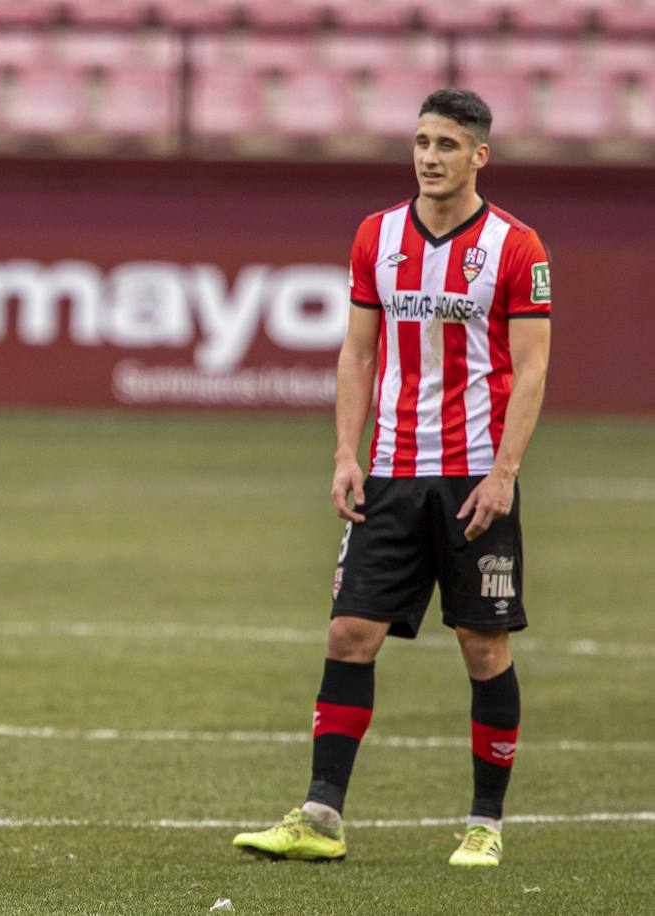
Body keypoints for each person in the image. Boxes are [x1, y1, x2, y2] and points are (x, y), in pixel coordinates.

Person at [232, 88, 551, 868]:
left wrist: (506, 472)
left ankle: (485, 824)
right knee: (349, 633)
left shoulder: (518, 246)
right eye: (420, 142)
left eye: (446, 144)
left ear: (479, 155)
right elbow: (357, 354)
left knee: (483, 647)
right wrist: (347, 455)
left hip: (475, 476)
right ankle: (320, 815)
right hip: (391, 472)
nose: (429, 157)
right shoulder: (376, 236)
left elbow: (535, 365)